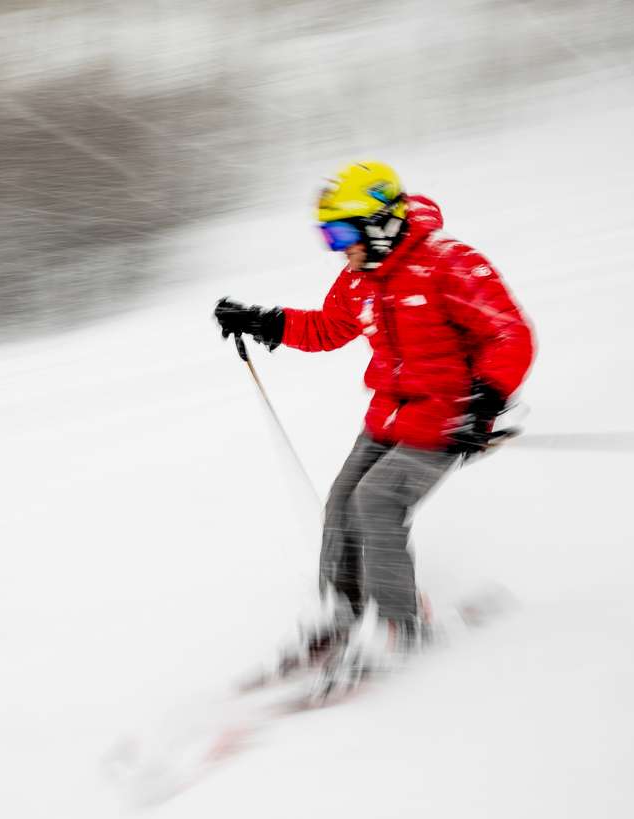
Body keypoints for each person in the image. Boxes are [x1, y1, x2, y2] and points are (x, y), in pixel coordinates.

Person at [214, 161, 534, 693]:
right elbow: (328, 327)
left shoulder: (449, 265)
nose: (336, 247)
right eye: (327, 235)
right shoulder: (360, 277)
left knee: (377, 500)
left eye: (341, 233)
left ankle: (399, 628)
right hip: (388, 415)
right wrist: (265, 321)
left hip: (447, 416)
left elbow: (509, 334)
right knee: (343, 499)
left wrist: (486, 402)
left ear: (381, 222)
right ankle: (341, 611)